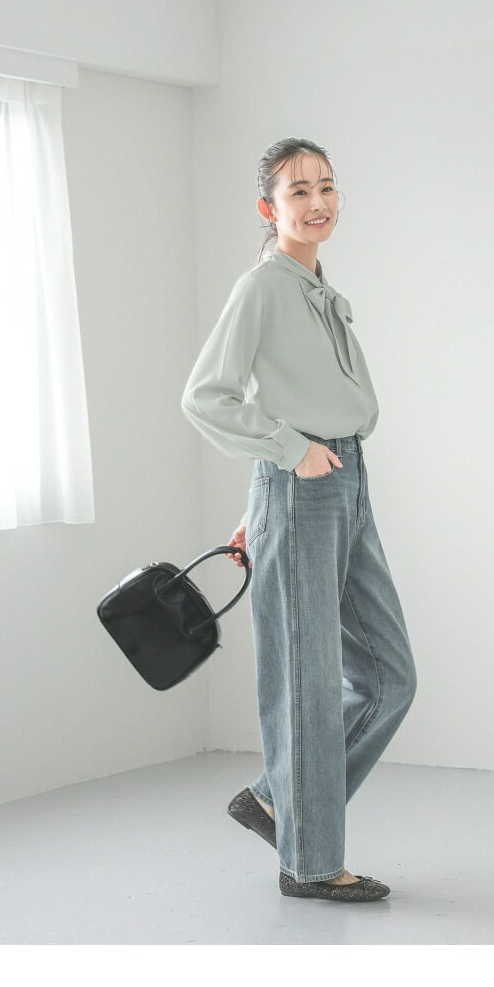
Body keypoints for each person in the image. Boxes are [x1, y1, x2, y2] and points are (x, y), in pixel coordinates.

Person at [181, 137, 417, 902]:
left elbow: (283, 394)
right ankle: (312, 861)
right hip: (304, 480)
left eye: (326, 186)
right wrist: (284, 458)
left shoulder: (315, 286)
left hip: (341, 480)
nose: (317, 202)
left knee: (389, 677)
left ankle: (276, 800)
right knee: (309, 682)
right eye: (298, 191)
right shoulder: (262, 288)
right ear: (268, 207)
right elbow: (207, 396)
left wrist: (260, 499)